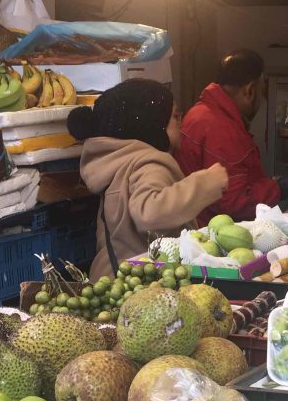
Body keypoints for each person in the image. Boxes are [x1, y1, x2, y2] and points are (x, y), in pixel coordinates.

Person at [68, 78, 229, 280]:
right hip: (138, 284)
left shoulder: (119, 162)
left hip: (110, 279)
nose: (181, 120)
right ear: (151, 123)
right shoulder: (148, 163)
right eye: (175, 116)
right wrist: (206, 183)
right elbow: (149, 212)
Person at [175, 49, 281, 225]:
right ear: (250, 90)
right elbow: (233, 200)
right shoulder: (223, 130)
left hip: (197, 225)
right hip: (213, 233)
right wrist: (275, 188)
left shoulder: (200, 112)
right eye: (262, 92)